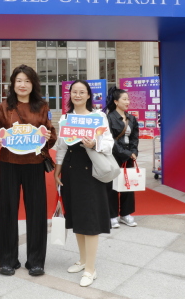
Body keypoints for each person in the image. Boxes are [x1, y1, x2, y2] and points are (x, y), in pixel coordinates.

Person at [0, 64, 57, 277]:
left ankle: (36, 261)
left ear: (33, 84)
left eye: (27, 81)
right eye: (19, 81)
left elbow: (51, 134)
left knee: (36, 212)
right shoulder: (4, 107)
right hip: (8, 163)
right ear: (13, 84)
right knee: (7, 211)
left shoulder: (42, 107)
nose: (23, 85)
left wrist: (48, 137)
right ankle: (8, 260)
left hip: (34, 164)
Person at [54, 80, 114, 287]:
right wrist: (57, 169)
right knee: (77, 216)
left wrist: (95, 143)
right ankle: (82, 260)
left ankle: (90, 268)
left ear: (89, 95)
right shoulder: (66, 118)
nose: (77, 95)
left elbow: (109, 143)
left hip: (91, 171)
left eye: (82, 92)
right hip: (71, 170)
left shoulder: (98, 117)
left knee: (90, 218)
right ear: (69, 95)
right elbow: (61, 147)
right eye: (74, 92)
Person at [105, 86, 140, 228]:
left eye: (128, 99)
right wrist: (126, 153)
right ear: (116, 101)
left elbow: (134, 137)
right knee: (112, 186)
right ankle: (112, 215)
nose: (127, 102)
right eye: (124, 99)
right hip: (114, 156)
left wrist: (134, 152)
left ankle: (126, 214)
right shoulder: (109, 118)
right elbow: (110, 140)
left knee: (128, 184)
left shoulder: (132, 118)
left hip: (129, 156)